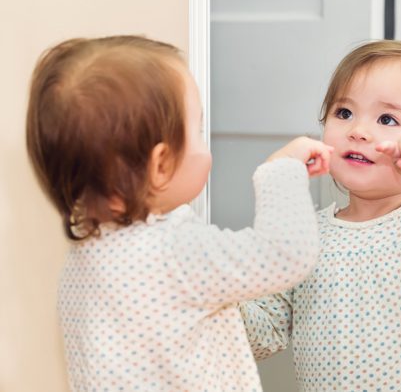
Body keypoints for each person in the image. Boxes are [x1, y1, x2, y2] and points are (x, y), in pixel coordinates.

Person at [25, 35, 333, 392]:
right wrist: (280, 171)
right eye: (198, 131)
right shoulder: (175, 254)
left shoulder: (83, 260)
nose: (205, 143)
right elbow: (285, 254)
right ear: (160, 165)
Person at [240, 40, 401, 391]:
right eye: (344, 113)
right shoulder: (305, 236)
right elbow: (262, 333)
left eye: (387, 119)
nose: (358, 131)